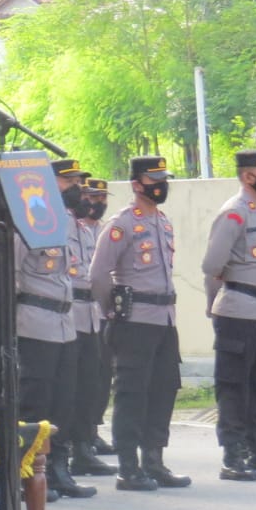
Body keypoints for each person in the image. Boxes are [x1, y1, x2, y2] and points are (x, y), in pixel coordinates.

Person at [90, 155, 190, 491]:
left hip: (164, 319)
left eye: (163, 178)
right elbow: (98, 274)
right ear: (137, 185)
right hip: (134, 320)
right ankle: (128, 467)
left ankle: (154, 460)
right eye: (154, 180)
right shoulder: (122, 225)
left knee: (163, 389)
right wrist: (113, 312)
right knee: (132, 393)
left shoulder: (162, 221)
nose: (161, 185)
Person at [15, 159, 96, 502]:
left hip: (66, 322)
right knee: (36, 401)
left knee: (64, 399)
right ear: (49, 184)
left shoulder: (68, 221)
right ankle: (25, 472)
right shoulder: (31, 217)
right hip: (35, 320)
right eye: (69, 181)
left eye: (78, 180)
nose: (76, 187)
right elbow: (11, 269)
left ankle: (58, 469)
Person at [202, 150, 256, 481]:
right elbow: (212, 266)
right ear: (247, 176)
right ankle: (234, 453)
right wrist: (215, 306)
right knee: (234, 386)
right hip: (238, 309)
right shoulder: (235, 213)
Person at [68, 173, 116, 478]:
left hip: (92, 315)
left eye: (96, 196)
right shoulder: (59, 227)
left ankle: (84, 445)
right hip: (68, 314)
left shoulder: (87, 232)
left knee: (92, 383)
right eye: (86, 194)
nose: (90, 200)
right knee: (69, 387)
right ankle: (70, 448)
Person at [81, 177, 117, 456]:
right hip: (80, 312)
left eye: (103, 198)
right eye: (94, 197)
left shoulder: (104, 231)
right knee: (86, 376)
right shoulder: (78, 228)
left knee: (102, 375)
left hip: (102, 312)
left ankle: (93, 429)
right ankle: (80, 436)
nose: (99, 203)